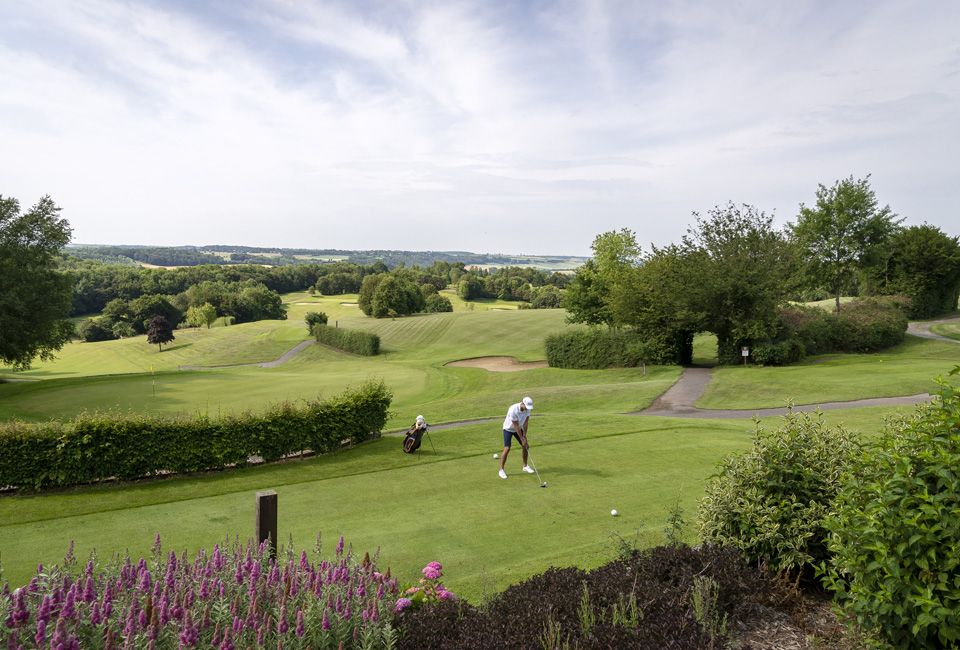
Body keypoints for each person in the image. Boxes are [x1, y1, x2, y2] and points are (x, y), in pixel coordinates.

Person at [499, 397, 534, 479]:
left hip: (518, 428)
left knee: (525, 446)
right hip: (508, 429)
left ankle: (525, 466)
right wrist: (522, 439)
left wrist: (524, 436)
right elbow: (516, 426)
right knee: (507, 448)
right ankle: (501, 470)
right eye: (526, 406)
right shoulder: (513, 410)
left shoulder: (528, 409)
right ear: (522, 403)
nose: (527, 408)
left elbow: (526, 422)